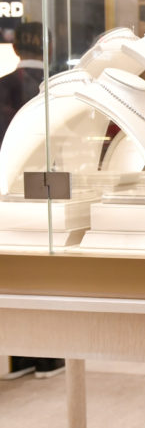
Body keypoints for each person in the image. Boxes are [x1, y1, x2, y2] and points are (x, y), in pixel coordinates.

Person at [1, 22, 65, 381]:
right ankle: (50, 357)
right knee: (49, 271)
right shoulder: (60, 88)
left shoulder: (5, 87)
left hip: (10, 190)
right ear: (50, 46)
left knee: (18, 268)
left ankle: (21, 354)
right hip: (54, 186)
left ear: (15, 48)